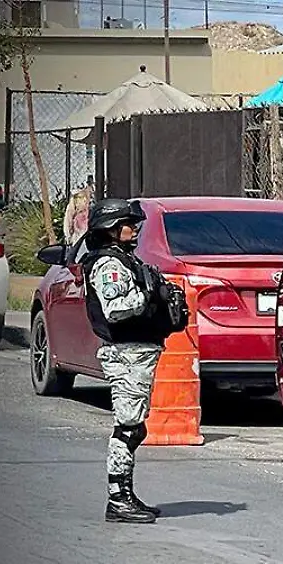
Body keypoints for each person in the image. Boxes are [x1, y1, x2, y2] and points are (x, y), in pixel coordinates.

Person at [81, 198, 187, 524]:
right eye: (129, 223)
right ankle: (118, 499)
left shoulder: (125, 260)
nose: (135, 228)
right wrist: (151, 294)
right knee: (127, 429)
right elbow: (115, 308)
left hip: (138, 352)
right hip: (125, 354)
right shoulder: (108, 265)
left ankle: (125, 496)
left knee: (135, 427)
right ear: (112, 229)